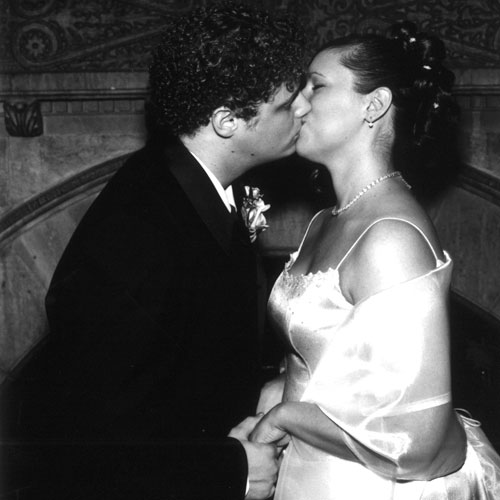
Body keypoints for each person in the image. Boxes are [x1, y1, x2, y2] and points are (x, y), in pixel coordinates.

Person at [1, 4, 310, 499]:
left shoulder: (193, 187)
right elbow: (87, 444)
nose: (305, 109)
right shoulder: (137, 235)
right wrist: (230, 469)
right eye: (287, 103)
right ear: (227, 121)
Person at [249, 21, 500, 500]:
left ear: (374, 105)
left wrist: (286, 416)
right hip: (313, 468)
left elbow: (418, 441)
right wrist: (279, 390)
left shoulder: (391, 237)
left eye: (316, 87)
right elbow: (338, 361)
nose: (297, 104)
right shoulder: (325, 219)